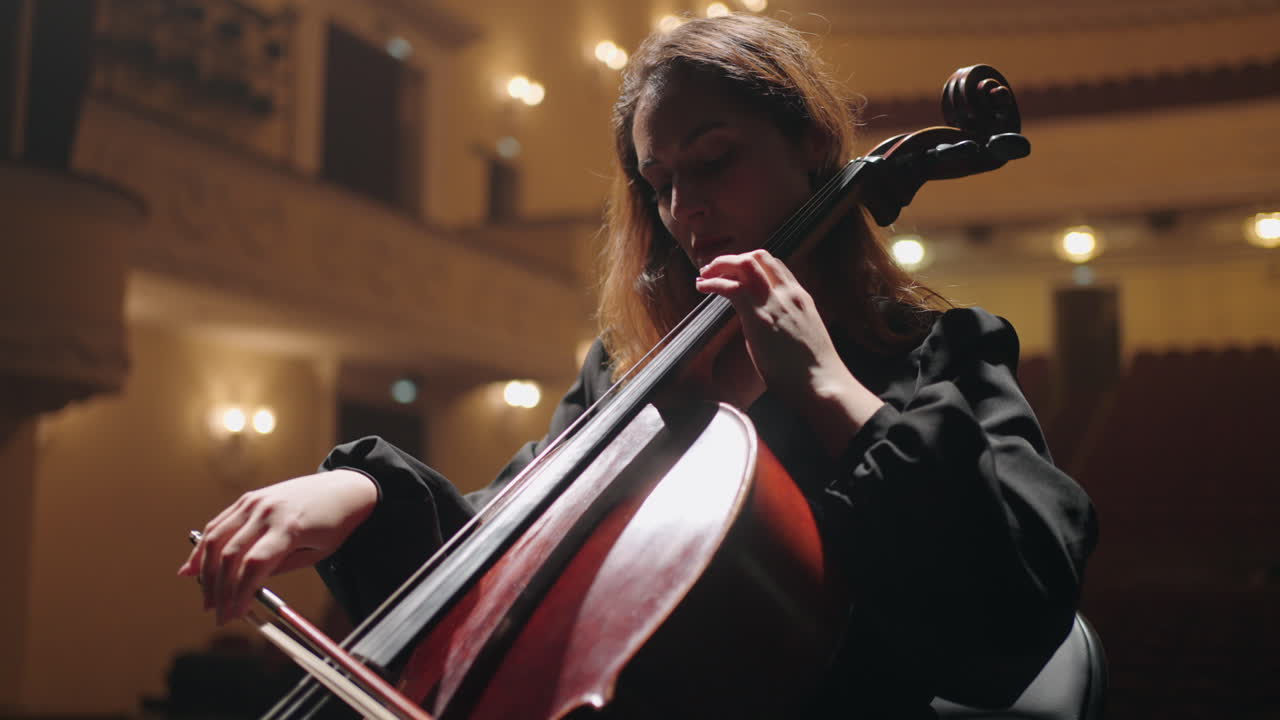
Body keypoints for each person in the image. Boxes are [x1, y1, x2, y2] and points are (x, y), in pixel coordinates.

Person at [180, 13, 1097, 718]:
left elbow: (1014, 620)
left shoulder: (944, 355)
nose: (685, 208)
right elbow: (505, 559)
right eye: (660, 183)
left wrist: (827, 388)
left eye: (714, 161)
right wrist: (360, 499)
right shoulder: (633, 378)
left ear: (814, 148)